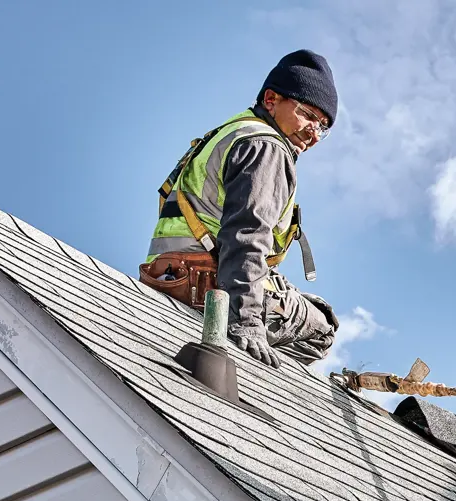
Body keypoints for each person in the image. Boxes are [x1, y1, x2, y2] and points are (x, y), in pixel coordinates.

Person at [140, 50, 340, 367]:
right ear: (271, 99)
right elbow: (248, 234)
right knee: (324, 326)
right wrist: (246, 321)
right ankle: (252, 370)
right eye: (308, 115)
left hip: (167, 274)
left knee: (294, 298)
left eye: (323, 126)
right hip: (208, 287)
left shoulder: (233, 132)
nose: (313, 134)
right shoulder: (268, 147)